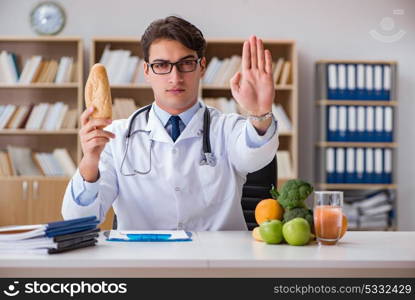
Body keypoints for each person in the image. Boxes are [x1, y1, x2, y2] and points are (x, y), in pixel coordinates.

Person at [61, 16, 279, 230]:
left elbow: (255, 158)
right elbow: (79, 220)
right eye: (162, 65)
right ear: (146, 71)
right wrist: (90, 160)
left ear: (201, 67)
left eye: (186, 63)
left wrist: (260, 113)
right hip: (144, 261)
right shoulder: (116, 136)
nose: (175, 77)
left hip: (215, 262)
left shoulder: (228, 129)